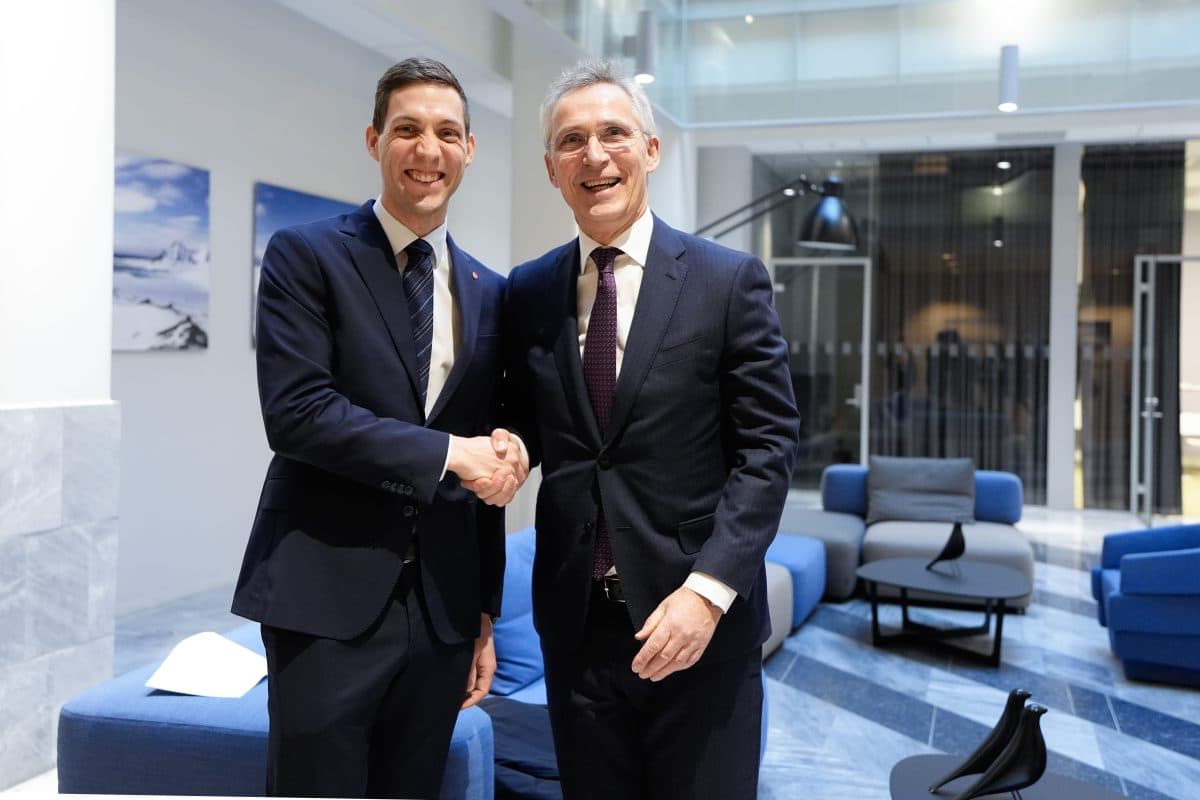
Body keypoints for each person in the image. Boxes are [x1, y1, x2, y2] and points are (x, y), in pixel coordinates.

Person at [493, 59, 801, 799]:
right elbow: (533, 421)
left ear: (651, 150)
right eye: (571, 141)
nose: (594, 155)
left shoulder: (728, 280)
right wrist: (509, 446)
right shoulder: (528, 290)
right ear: (551, 168)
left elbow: (768, 449)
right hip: (576, 632)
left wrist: (708, 592)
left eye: (614, 133)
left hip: (696, 625)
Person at [232, 57, 526, 799]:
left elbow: (484, 463)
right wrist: (451, 454)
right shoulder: (307, 255)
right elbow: (298, 414)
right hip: (324, 597)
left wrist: (483, 612)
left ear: (469, 149)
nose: (428, 150)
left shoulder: (490, 290)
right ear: (373, 140)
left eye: (447, 133)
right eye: (407, 130)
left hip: (443, 610)